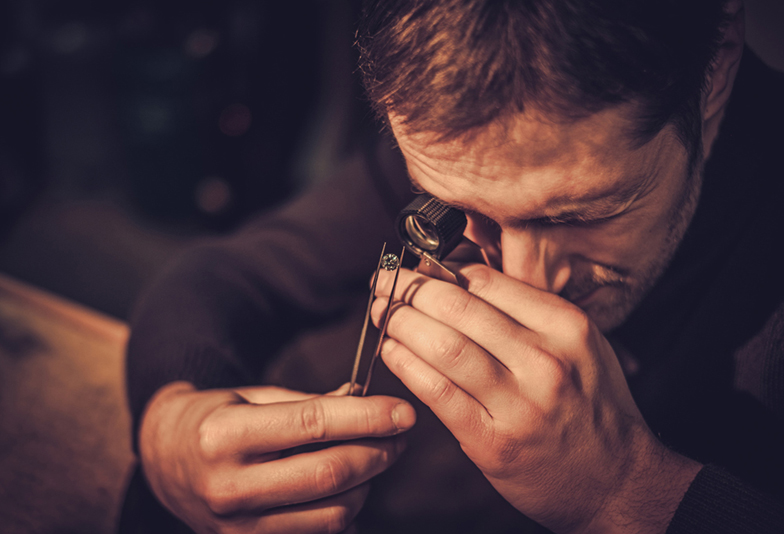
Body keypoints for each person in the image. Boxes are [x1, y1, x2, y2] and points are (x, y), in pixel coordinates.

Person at [120, 0, 784, 533]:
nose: (524, 280)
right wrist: (173, 430)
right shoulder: (477, 135)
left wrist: (624, 493)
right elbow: (235, 274)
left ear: (714, 69)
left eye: (582, 215)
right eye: (461, 209)